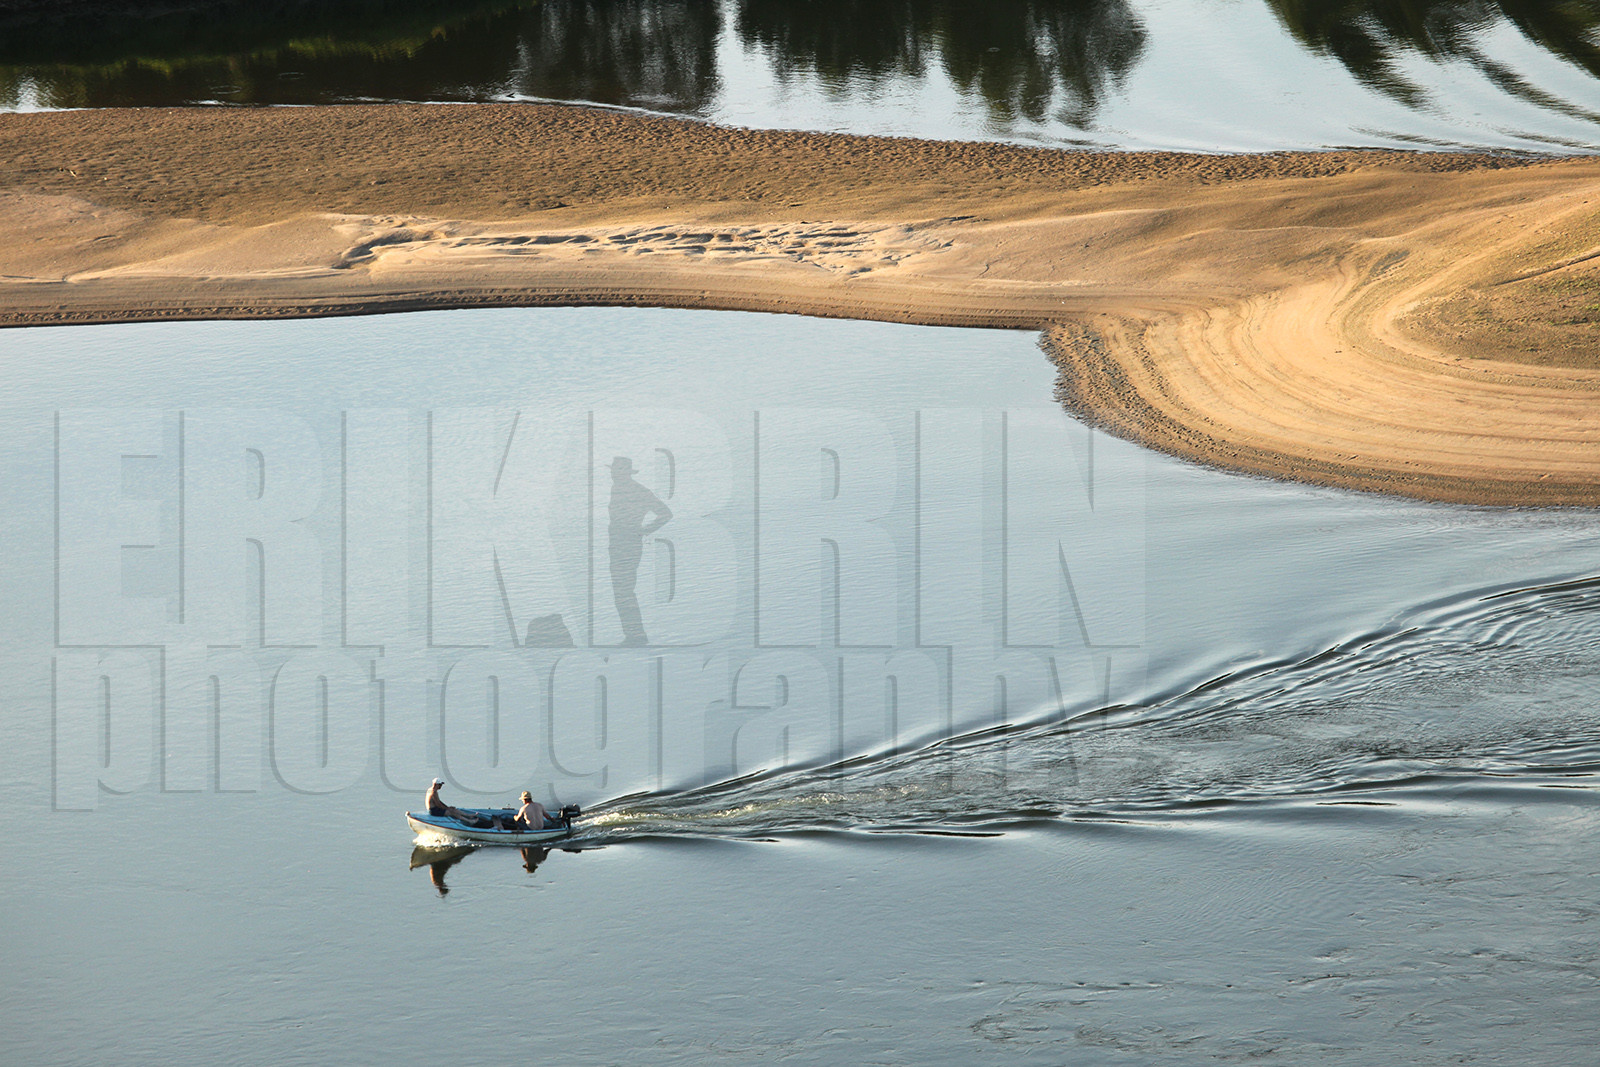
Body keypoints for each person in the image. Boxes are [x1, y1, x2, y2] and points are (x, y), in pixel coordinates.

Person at [607, 455, 671, 647]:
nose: (611, 474)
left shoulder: (638, 491)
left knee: (624, 591)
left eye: (614, 470)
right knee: (622, 591)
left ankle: (636, 636)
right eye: (612, 470)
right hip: (619, 544)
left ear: (623, 472)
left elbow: (666, 513)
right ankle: (633, 634)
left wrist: (644, 530)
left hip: (626, 545)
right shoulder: (618, 488)